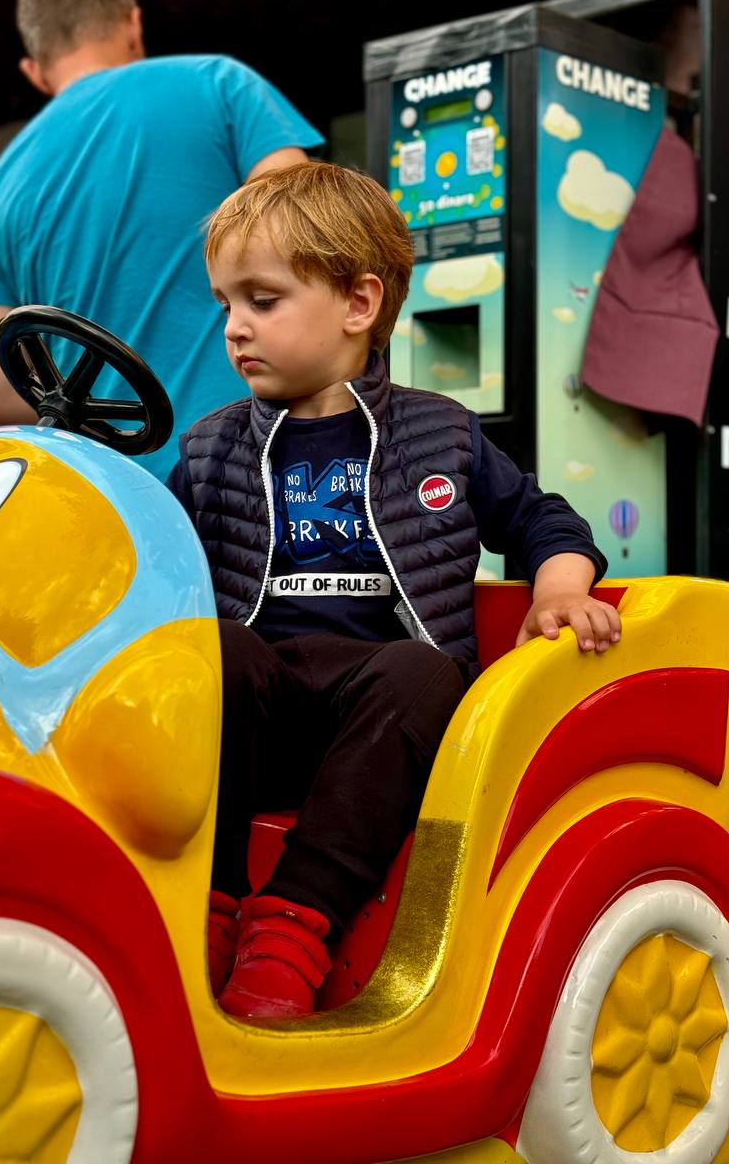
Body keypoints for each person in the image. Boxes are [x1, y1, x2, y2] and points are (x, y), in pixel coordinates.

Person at [167, 162, 621, 1019]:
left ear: (358, 303)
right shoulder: (209, 447)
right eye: (226, 304)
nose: (235, 328)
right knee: (208, 652)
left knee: (423, 671)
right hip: (257, 710)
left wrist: (558, 589)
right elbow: (150, 560)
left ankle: (292, 929)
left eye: (262, 300)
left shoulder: (439, 432)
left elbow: (542, 519)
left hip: (380, 719)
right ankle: (209, 908)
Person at [0, 0, 322, 479]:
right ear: (133, 23)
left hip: (111, 505)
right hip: (256, 478)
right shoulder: (220, 85)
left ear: (34, 70)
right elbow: (310, 238)